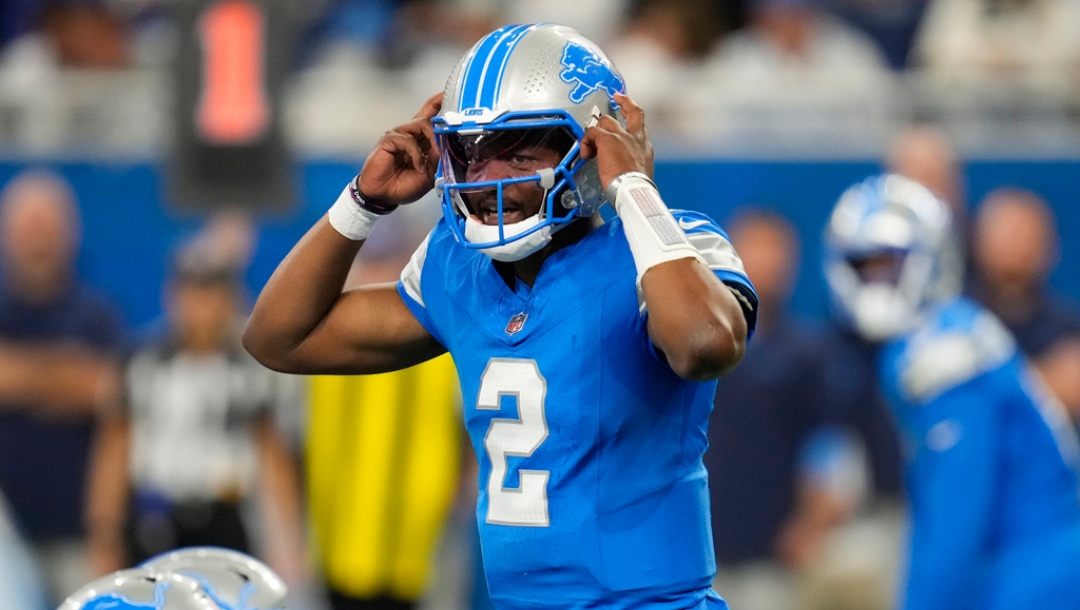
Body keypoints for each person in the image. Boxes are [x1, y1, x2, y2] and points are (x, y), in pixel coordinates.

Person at [244, 22, 757, 610]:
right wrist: (364, 202)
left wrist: (634, 188)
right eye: (471, 152)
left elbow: (704, 344)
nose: (487, 179)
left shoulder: (672, 247)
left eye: (516, 151)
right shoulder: (456, 265)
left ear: (592, 145)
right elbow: (279, 339)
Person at [823, 173, 1080, 610]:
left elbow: (957, 521)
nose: (879, 280)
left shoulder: (943, 353)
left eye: (891, 263)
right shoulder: (941, 330)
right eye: (865, 266)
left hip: (1030, 574)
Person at [84, 242, 307, 592]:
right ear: (172, 296)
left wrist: (287, 541)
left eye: (213, 294)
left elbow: (271, 453)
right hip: (155, 518)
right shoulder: (141, 362)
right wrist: (104, 535)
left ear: (232, 298)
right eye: (192, 293)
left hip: (224, 516)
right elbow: (114, 447)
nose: (202, 308)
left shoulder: (251, 370)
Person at [305, 209, 467, 610]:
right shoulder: (329, 341)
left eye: (388, 260)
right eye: (370, 261)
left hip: (419, 548)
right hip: (337, 545)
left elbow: (473, 439)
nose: (376, 273)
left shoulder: (444, 343)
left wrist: (458, 510)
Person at [705, 209, 854, 610]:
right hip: (694, 556)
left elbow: (831, 449)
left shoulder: (809, 355)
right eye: (757, 248)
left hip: (769, 561)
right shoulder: (689, 346)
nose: (768, 263)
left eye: (778, 251)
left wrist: (811, 526)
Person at [0, 168, 126, 604]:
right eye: (27, 228)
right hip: (6, 540)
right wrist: (62, 377)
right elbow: (84, 383)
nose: (37, 240)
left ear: (71, 234)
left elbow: (107, 392)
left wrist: (19, 375)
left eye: (47, 228)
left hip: (80, 536)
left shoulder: (97, 316)